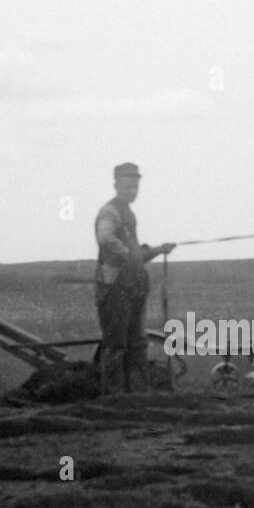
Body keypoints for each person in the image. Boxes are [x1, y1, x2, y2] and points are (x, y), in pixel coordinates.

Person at [94, 163, 175, 394]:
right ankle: (114, 399)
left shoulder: (128, 213)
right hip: (114, 289)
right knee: (117, 345)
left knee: (138, 344)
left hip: (133, 289)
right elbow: (106, 238)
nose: (133, 190)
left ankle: (139, 397)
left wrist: (159, 249)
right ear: (116, 185)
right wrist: (129, 254)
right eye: (128, 185)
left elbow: (135, 254)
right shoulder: (110, 212)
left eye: (136, 186)